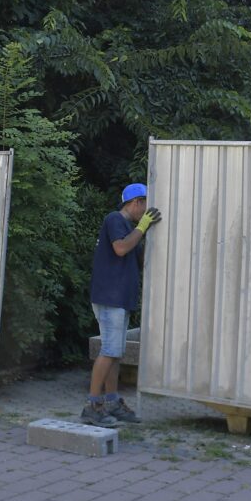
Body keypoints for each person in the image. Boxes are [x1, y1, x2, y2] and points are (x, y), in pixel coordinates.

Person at [83, 183, 160, 427]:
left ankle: (112, 402)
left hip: (120, 298)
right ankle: (93, 406)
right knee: (109, 351)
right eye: (145, 205)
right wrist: (142, 227)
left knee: (115, 354)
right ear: (136, 202)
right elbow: (120, 248)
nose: (146, 211)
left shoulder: (129, 227)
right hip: (109, 297)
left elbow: (134, 256)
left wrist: (143, 232)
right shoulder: (115, 219)